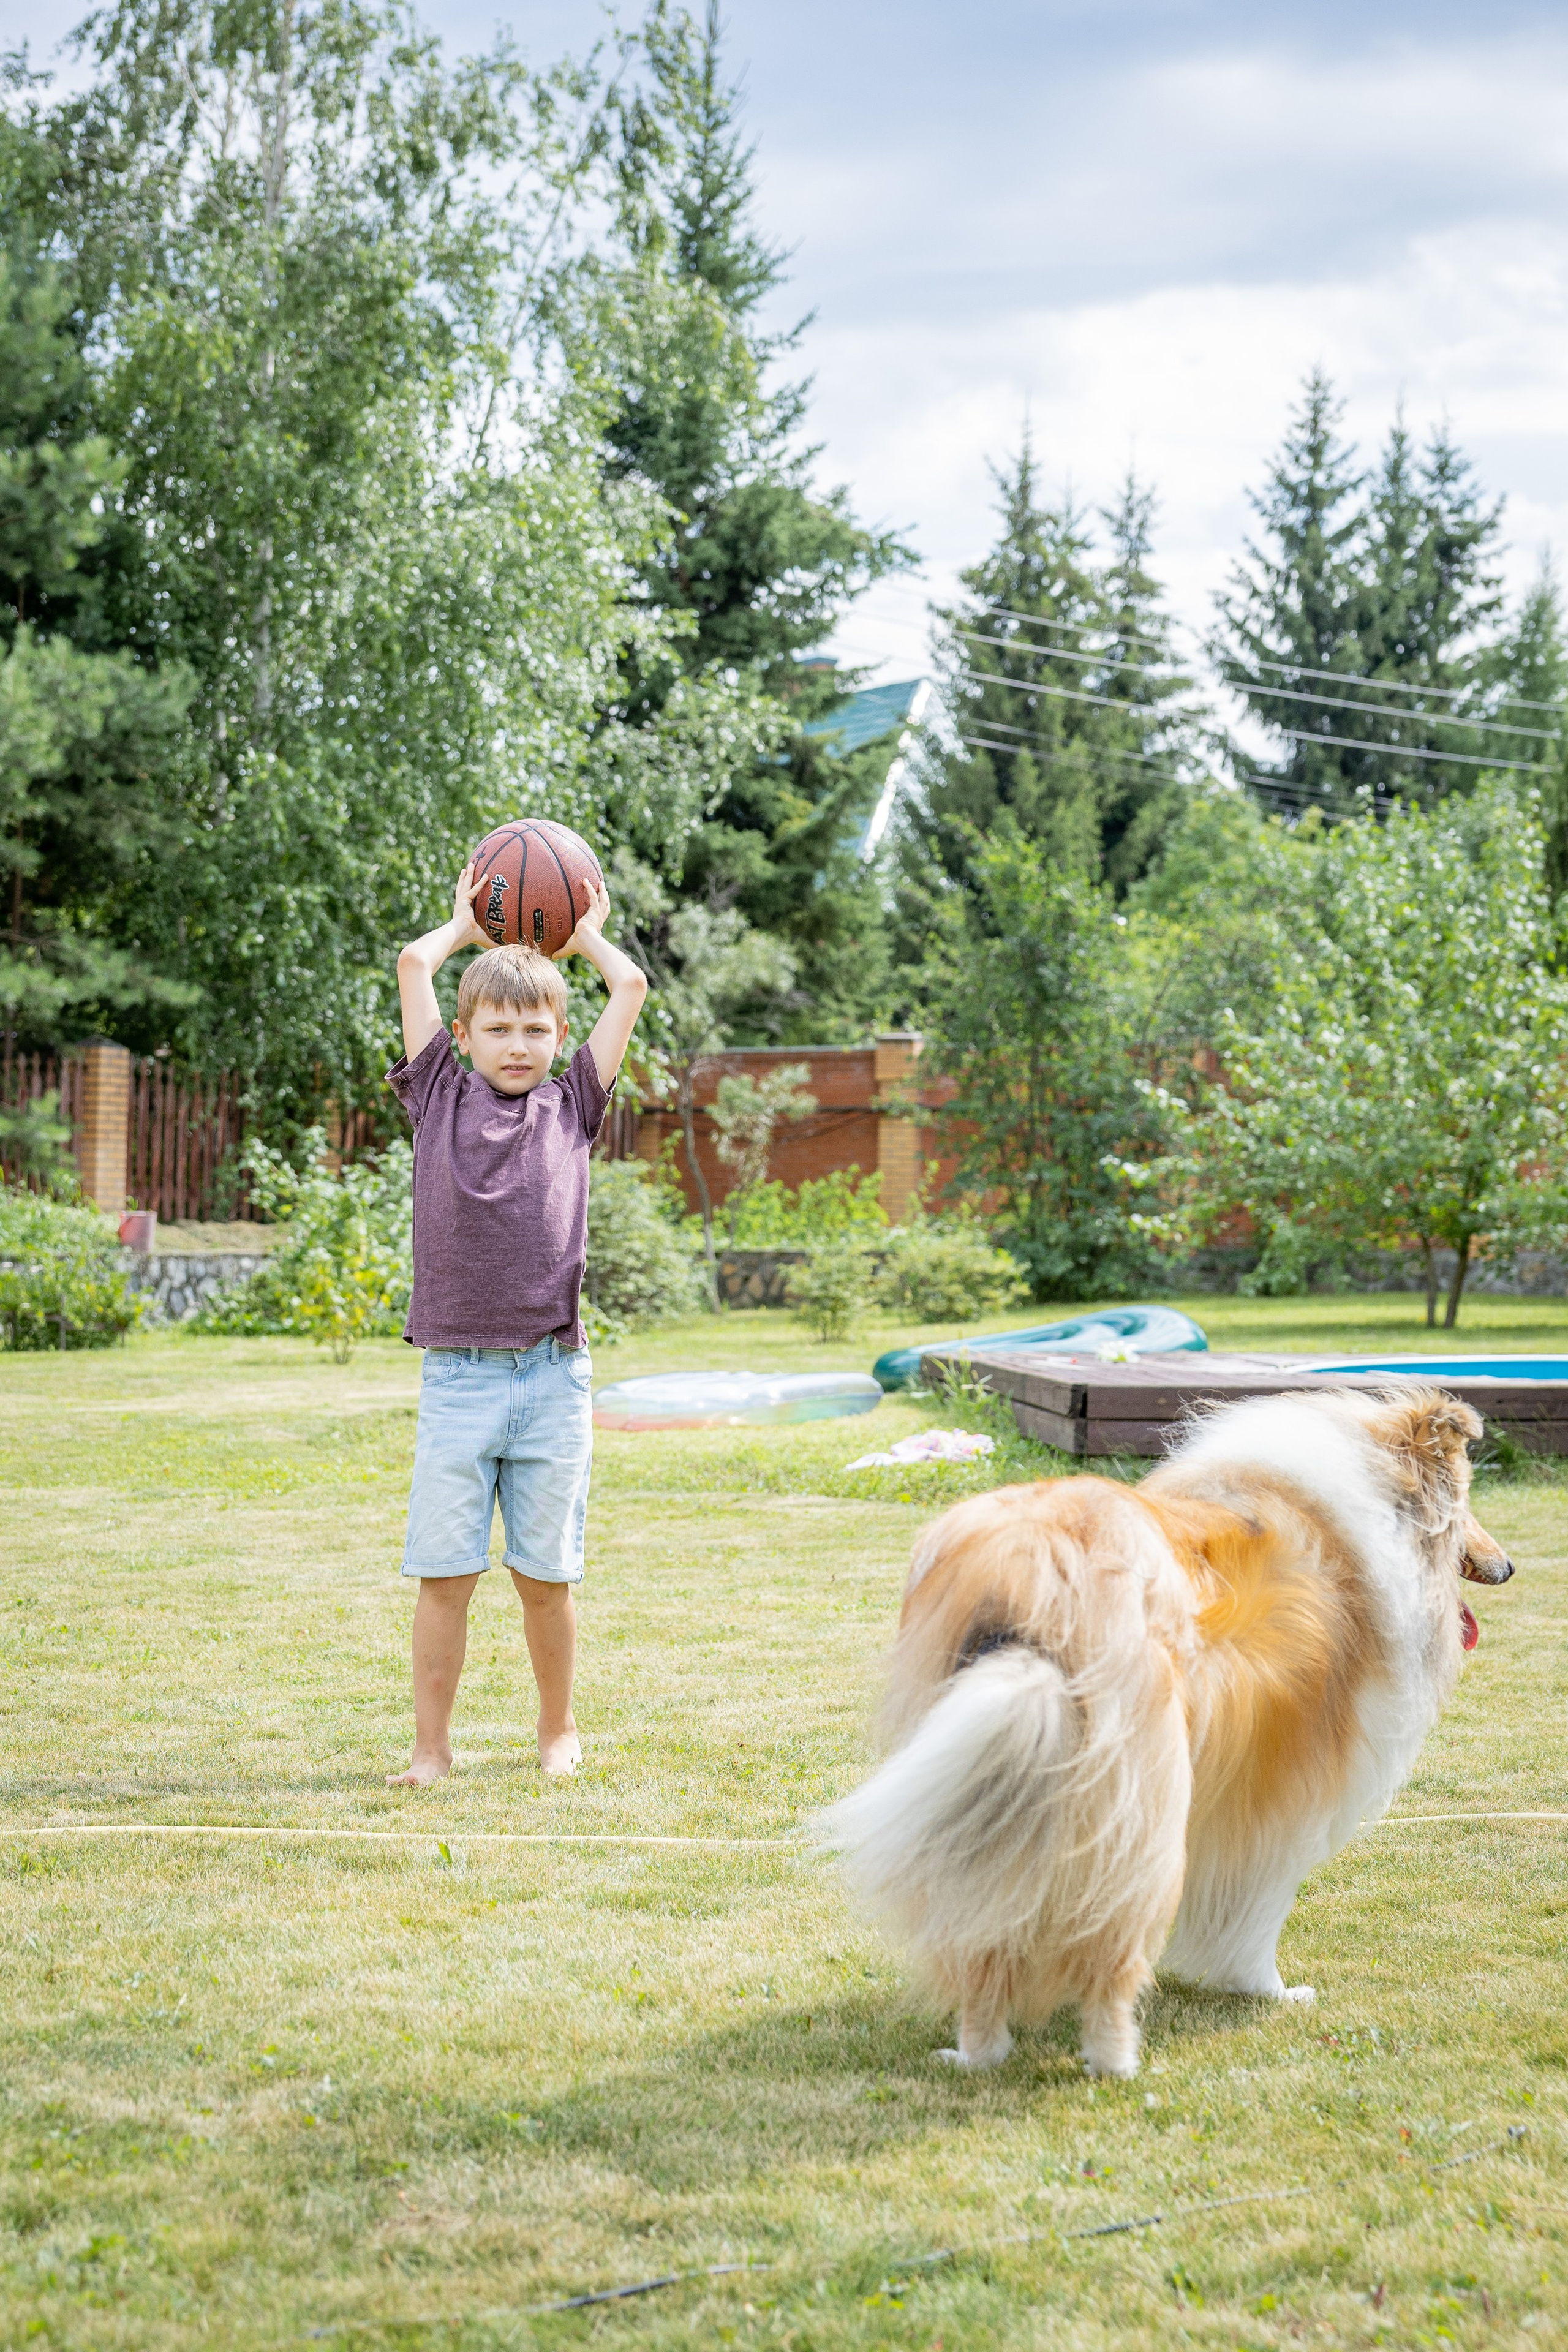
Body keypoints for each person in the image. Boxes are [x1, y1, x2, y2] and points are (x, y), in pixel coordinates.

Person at [385, 860, 647, 1784]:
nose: (518, 1043)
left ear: (560, 1036)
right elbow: (415, 965)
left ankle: (556, 1730)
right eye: (498, 1028)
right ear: (463, 1037)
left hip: (551, 1378)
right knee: (445, 1576)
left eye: (537, 1028)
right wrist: (464, 926)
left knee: (547, 1580)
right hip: (458, 1378)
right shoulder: (438, 1098)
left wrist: (582, 935)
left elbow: (632, 985)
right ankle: (430, 1748)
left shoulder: (573, 1104)